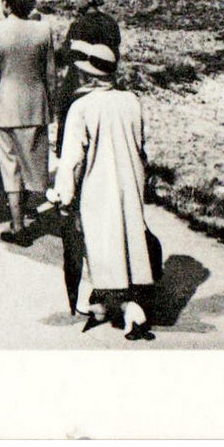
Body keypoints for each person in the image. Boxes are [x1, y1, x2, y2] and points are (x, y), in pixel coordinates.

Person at [47, 38, 156, 341]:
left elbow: (71, 159)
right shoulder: (131, 101)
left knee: (96, 244)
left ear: (88, 75)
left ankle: (121, 308)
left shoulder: (82, 107)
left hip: (97, 184)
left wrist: (63, 196)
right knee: (125, 240)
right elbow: (140, 144)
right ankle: (112, 303)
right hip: (129, 181)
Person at [0, 0, 59, 246]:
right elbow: (50, 75)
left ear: (6, 2)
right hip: (35, 106)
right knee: (32, 167)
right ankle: (27, 210)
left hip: (4, 108)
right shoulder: (43, 31)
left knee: (10, 167)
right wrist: (52, 107)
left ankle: (17, 224)